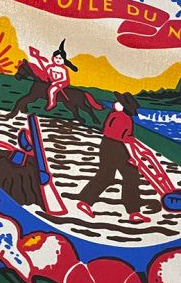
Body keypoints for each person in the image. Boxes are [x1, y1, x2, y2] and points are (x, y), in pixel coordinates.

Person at [76, 92, 150, 224]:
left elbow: (110, 132)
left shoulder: (114, 115)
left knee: (105, 175)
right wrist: (131, 156)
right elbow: (122, 138)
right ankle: (134, 212)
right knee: (131, 176)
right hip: (117, 147)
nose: (115, 103)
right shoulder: (124, 119)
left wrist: (129, 141)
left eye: (119, 102)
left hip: (106, 145)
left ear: (124, 107)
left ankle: (85, 202)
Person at [28, 40, 77, 111]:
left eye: (60, 58)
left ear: (63, 60)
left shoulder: (63, 69)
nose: (57, 60)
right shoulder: (50, 67)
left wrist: (56, 82)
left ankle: (52, 103)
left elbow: (64, 78)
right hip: (52, 81)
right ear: (53, 58)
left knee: (52, 89)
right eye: (56, 58)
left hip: (62, 82)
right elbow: (46, 74)